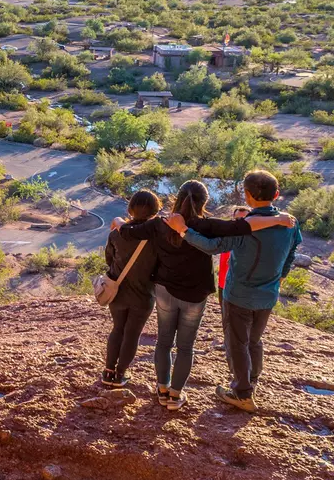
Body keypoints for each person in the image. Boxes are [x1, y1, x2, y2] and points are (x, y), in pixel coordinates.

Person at [111, 181, 293, 410]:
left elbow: (127, 232)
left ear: (177, 198)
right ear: (205, 202)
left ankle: (162, 390)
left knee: (164, 342)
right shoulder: (207, 226)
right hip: (195, 295)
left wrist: (118, 221)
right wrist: (277, 219)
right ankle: (175, 397)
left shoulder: (160, 224)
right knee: (185, 347)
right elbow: (244, 227)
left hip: (165, 290)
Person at [170, 170, 304, 413]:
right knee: (254, 340)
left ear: (248, 196)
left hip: (239, 294)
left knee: (237, 344)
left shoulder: (245, 229)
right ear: (276, 194)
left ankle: (242, 393)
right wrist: (280, 277)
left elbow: (212, 246)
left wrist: (184, 231)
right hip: (268, 294)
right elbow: (292, 252)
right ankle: (251, 381)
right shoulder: (290, 223)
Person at [101, 190, 162, 388]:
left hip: (117, 291)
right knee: (132, 334)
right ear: (155, 211)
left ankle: (108, 371)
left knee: (117, 328)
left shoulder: (116, 234)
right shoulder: (157, 237)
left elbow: (109, 260)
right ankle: (120, 375)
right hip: (143, 294)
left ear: (130, 209)